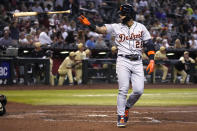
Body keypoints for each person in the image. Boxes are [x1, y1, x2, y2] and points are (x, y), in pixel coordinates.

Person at [78, 4, 155, 127]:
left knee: (139, 91)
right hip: (123, 61)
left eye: (122, 14)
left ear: (129, 15)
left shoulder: (141, 27)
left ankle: (127, 107)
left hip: (137, 62)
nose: (120, 17)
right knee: (123, 89)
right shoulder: (116, 27)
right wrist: (89, 24)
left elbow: (149, 44)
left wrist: (151, 60)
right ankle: (121, 117)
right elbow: (100, 29)